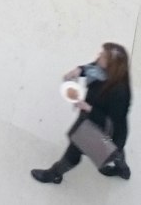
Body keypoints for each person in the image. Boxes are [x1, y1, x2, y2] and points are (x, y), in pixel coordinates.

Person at [32, 43, 131, 184]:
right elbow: (95, 67)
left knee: (74, 149)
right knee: (116, 150)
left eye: (102, 56)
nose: (98, 56)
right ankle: (122, 169)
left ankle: (54, 174)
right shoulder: (107, 71)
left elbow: (112, 121)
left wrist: (88, 108)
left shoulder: (119, 92)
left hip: (100, 129)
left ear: (111, 65)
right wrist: (80, 70)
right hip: (102, 126)